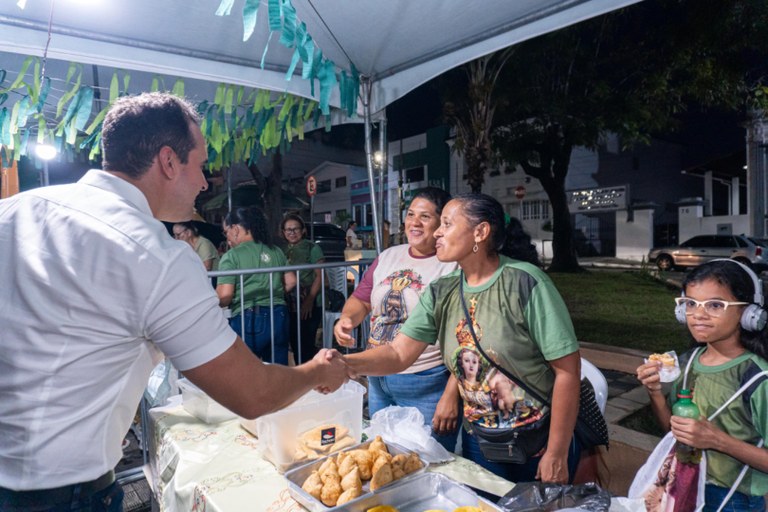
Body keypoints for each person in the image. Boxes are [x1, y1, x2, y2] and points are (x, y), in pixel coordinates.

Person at [0, 92, 348, 511]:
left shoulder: (15, 210)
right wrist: (315, 371)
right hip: (61, 493)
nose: (204, 182)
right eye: (200, 165)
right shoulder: (154, 254)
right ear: (168, 161)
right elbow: (252, 393)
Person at [336, 193, 582, 484]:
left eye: (447, 224)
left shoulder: (525, 282)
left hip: (537, 439)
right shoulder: (442, 290)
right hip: (480, 437)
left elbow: (567, 371)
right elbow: (398, 354)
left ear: (480, 232)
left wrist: (557, 451)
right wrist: (342, 364)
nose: (438, 231)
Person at [334, 187, 461, 452]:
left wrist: (451, 393)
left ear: (441, 224)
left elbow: (467, 338)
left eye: (425, 217)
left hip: (425, 380)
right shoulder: (390, 256)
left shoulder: (451, 264)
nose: (414, 222)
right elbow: (362, 299)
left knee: (426, 459)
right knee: (384, 452)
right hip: (379, 376)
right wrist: (347, 318)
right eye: (410, 214)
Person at [636, 259, 768, 512]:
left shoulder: (758, 378)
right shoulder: (687, 364)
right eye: (690, 303)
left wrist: (719, 441)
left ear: (749, 313)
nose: (698, 314)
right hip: (686, 486)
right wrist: (655, 394)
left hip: (734, 500)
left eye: (715, 305)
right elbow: (675, 432)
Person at [217, 206, 296, 365]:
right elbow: (292, 281)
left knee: (245, 371)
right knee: (277, 371)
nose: (228, 239)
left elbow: (225, 296)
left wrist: (207, 303)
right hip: (279, 315)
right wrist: (273, 293)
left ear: (236, 229)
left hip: (249, 317)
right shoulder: (275, 250)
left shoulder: (231, 256)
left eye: (227, 233)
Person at [280, 213, 325, 364]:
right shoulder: (281, 250)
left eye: (295, 229)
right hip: (289, 302)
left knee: (306, 342)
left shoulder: (313, 248)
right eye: (288, 230)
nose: (292, 233)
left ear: (303, 230)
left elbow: (320, 276)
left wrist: (309, 300)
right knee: (293, 340)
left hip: (310, 301)